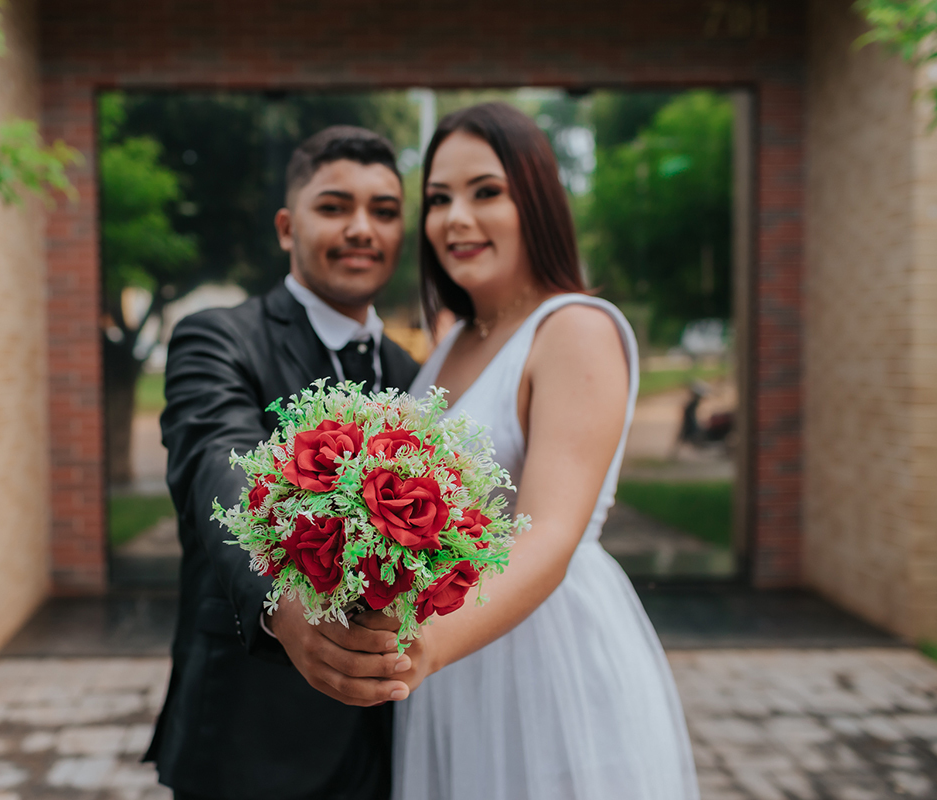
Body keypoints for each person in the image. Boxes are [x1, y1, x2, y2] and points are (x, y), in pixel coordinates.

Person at [378, 103, 701, 799]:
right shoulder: (447, 349)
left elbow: (550, 531)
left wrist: (428, 646)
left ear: (537, 198)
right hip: (451, 665)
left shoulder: (575, 329)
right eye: (439, 199)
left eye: (485, 191)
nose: (455, 218)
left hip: (547, 654)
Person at [142, 126, 421, 800]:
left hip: (394, 741)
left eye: (383, 211)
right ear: (285, 228)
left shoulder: (413, 373)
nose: (362, 228)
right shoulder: (218, 337)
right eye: (334, 207)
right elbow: (219, 459)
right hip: (251, 737)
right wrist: (286, 602)